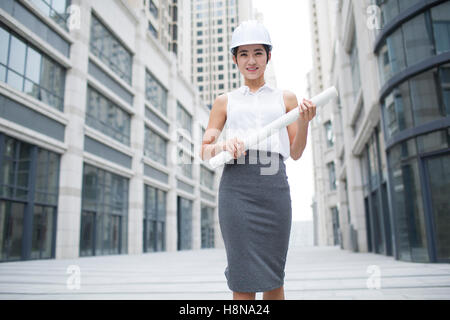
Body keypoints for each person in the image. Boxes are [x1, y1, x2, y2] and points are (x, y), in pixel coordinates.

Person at [199, 20, 316, 300]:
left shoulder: (286, 99)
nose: (251, 60)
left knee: (274, 279)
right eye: (244, 54)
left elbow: (297, 152)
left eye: (258, 53)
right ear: (235, 59)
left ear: (268, 56)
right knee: (243, 279)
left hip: (273, 189)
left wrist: (305, 122)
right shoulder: (224, 101)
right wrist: (224, 145)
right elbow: (204, 150)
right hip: (236, 189)